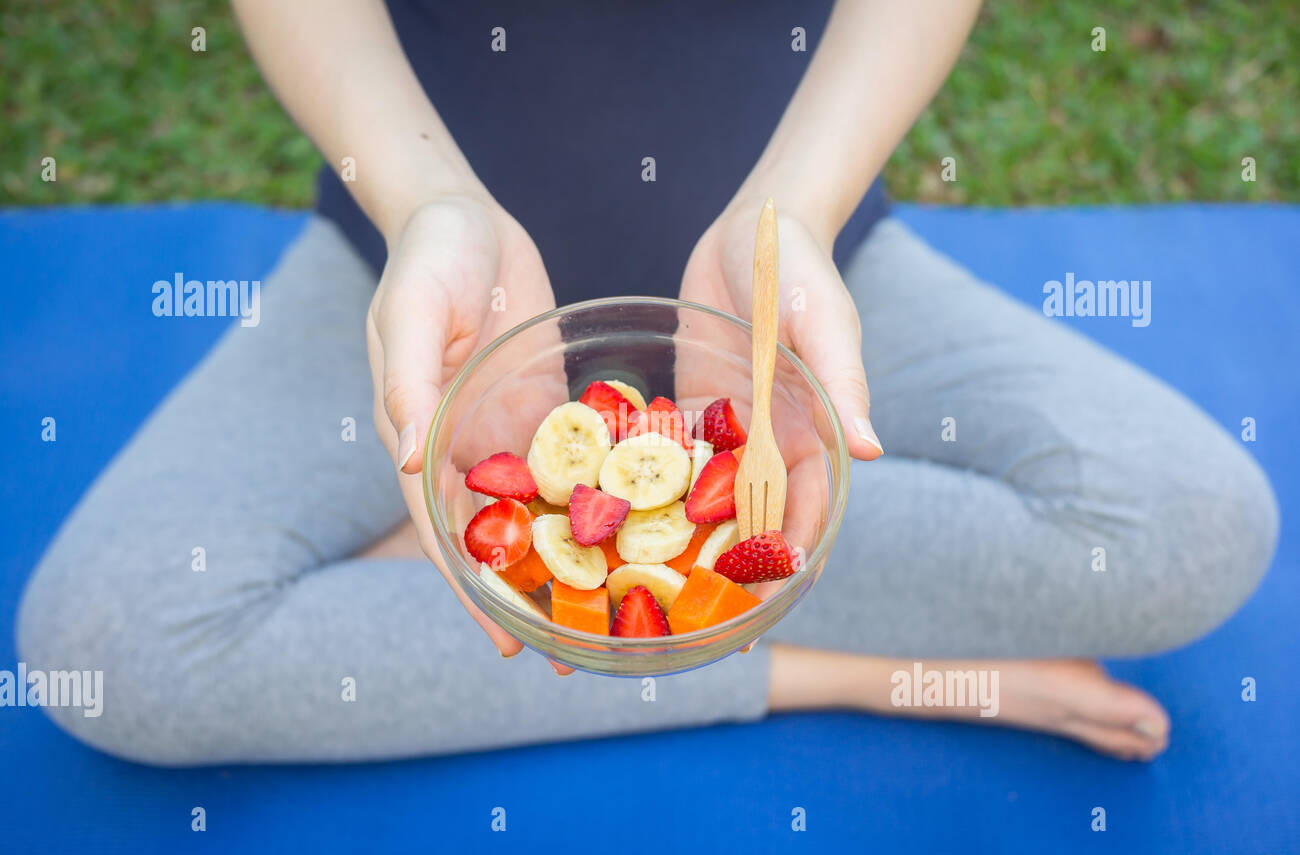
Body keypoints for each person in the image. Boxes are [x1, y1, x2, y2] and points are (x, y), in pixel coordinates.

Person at [17, 0, 1278, 765]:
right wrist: (426, 208)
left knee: (1197, 528)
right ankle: (849, 666)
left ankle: (479, 570)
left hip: (782, 274)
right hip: (427, 286)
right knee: (104, 649)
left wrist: (795, 212)